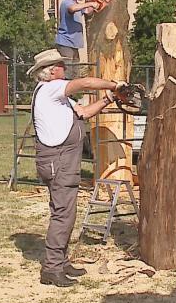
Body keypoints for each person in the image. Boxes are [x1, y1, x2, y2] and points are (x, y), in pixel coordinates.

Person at [27, 48, 124, 287]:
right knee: (63, 215)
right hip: (58, 162)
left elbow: (83, 113)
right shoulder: (51, 88)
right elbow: (85, 82)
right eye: (60, 65)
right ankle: (52, 268)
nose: (64, 68)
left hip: (60, 162)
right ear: (49, 71)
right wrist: (115, 85)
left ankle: (59, 261)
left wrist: (109, 99)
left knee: (65, 213)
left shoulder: (58, 97)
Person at [55, 0, 112, 78]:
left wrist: (98, 1)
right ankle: (66, 92)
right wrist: (90, 3)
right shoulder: (66, 2)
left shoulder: (76, 4)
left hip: (73, 43)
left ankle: (73, 92)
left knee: (75, 73)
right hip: (66, 43)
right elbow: (72, 9)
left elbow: (88, 11)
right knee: (67, 72)